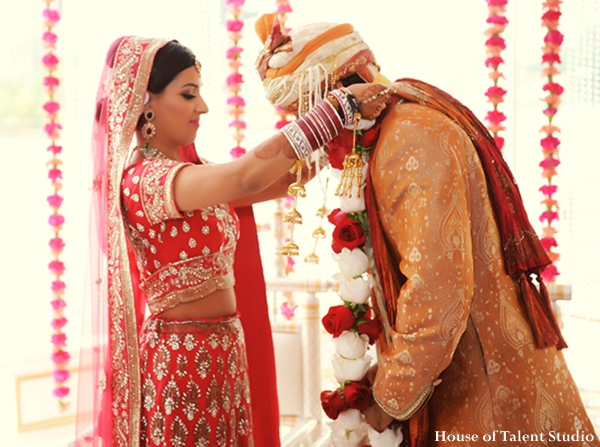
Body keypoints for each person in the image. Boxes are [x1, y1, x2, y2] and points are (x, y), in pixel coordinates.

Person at [254, 16, 600, 446]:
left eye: (311, 111)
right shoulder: (397, 126)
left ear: (342, 92)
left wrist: (388, 397)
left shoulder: (408, 140)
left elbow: (438, 290)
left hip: (485, 387)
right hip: (462, 374)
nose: (316, 129)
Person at [75, 35, 388, 447]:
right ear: (144, 102)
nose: (202, 107)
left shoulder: (193, 173)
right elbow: (246, 176)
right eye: (188, 94)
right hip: (181, 363)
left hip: (225, 352)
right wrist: (340, 106)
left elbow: (282, 179)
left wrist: (322, 109)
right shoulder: (146, 182)